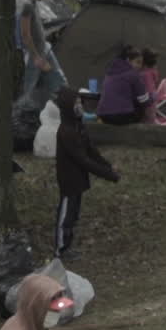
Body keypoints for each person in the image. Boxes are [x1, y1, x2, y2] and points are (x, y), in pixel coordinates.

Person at [53, 87, 119, 261]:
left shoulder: (78, 125)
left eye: (79, 102)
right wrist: (107, 174)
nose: (79, 106)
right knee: (65, 216)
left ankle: (68, 246)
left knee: (73, 215)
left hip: (79, 179)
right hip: (69, 180)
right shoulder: (66, 132)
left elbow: (91, 150)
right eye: (75, 103)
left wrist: (107, 166)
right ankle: (60, 249)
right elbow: (83, 159)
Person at [15, 0, 66, 105]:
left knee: (59, 79)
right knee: (28, 88)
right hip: (34, 55)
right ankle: (17, 116)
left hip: (44, 48)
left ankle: (68, 106)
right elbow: (25, 33)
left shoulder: (31, 1)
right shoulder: (26, 4)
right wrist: (36, 57)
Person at [97, 46, 152, 125]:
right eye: (137, 62)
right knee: (142, 108)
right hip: (121, 117)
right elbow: (144, 101)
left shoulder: (109, 73)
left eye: (141, 63)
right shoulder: (133, 74)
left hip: (103, 116)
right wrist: (153, 96)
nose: (140, 66)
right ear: (128, 60)